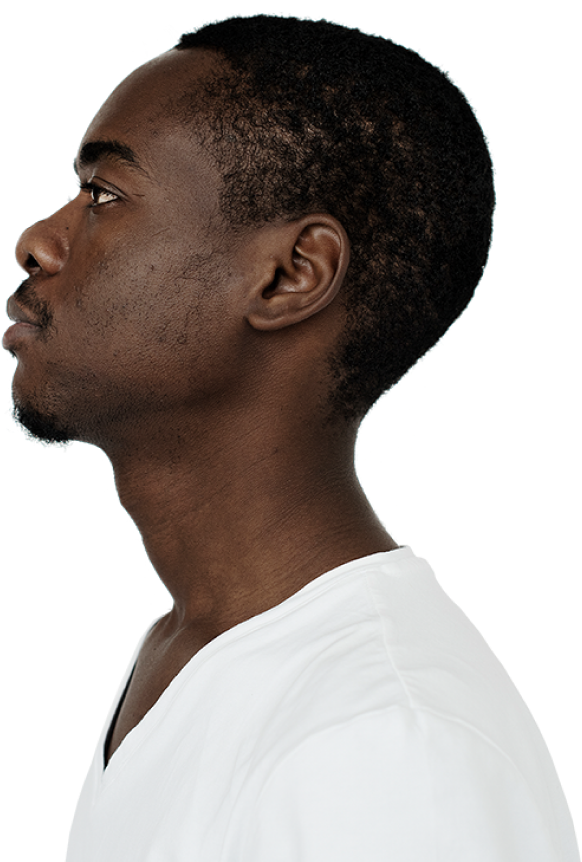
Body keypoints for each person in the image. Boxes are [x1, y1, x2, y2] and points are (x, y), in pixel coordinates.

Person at [4, 14, 577, 861]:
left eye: (105, 195)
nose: (39, 243)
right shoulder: (192, 654)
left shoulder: (386, 753)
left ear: (290, 275)